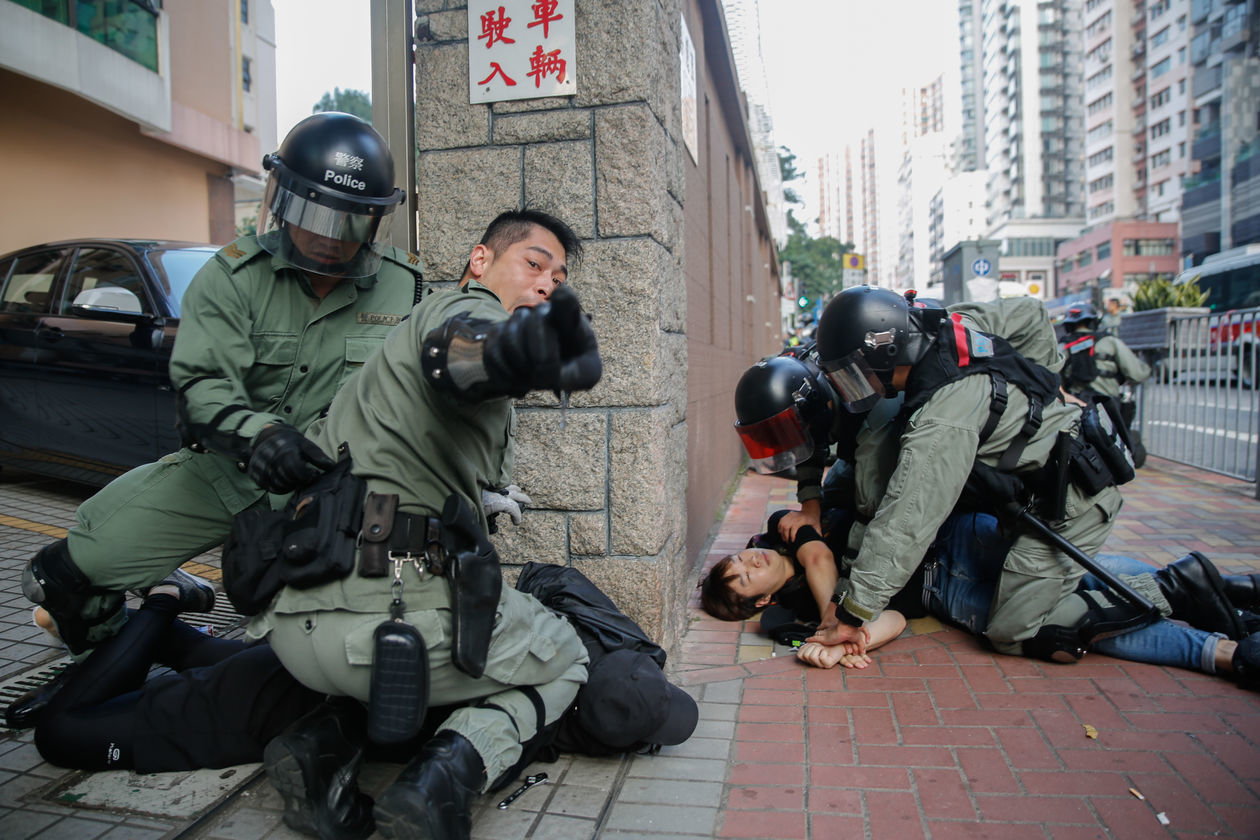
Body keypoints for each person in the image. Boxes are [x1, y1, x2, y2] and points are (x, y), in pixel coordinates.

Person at [248, 209, 602, 840]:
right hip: (384, 626)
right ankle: (440, 785)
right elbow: (465, 356)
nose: (548, 282)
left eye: (560, 275)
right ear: (480, 261)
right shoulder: (464, 316)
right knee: (566, 655)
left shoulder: (395, 346)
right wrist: (523, 351)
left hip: (295, 630)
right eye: (534, 263)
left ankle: (320, 749)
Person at [19, 112, 423, 663]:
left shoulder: (408, 288)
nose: (327, 238)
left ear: (374, 221)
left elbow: (435, 388)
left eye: (348, 222)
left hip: (332, 493)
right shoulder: (232, 277)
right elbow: (202, 384)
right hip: (226, 471)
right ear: (281, 200)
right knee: (63, 575)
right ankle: (109, 649)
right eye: (311, 214)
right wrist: (260, 436)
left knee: (329, 640)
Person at [807, 286, 1248, 664]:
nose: (863, 387)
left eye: (859, 373)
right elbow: (1032, 314)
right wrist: (1044, 385)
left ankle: (1174, 587)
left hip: (1072, 503)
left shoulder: (941, 420)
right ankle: (1219, 595)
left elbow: (906, 522)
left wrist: (852, 612)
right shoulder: (954, 326)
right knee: (1047, 585)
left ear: (888, 352)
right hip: (1055, 483)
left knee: (1015, 631)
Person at [698, 508, 1260, 688]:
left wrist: (836, 621)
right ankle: (1226, 649)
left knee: (1085, 571)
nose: (751, 562)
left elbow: (820, 556)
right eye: (746, 578)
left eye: (742, 559)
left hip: (955, 536)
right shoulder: (789, 617)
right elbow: (893, 613)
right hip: (948, 593)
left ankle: (1221, 598)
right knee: (1074, 622)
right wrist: (861, 635)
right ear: (761, 603)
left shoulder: (787, 525)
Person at [1059, 302, 1150, 400]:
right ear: (1094, 321)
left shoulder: (1062, 347)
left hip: (1074, 406)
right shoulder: (1110, 341)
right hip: (1108, 405)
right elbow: (1138, 374)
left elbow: (1052, 379)